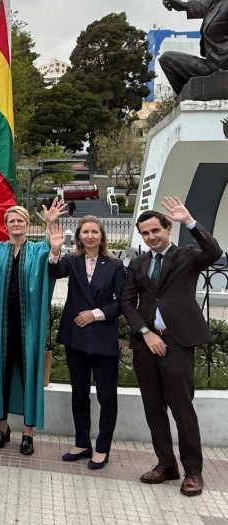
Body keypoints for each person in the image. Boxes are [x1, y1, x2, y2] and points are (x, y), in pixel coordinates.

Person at [120, 197, 221, 497]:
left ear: (167, 228)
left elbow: (214, 251)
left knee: (182, 408)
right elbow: (127, 302)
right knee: (154, 409)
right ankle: (166, 465)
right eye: (145, 233)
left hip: (178, 342)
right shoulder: (137, 263)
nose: (151, 237)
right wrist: (145, 332)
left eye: (155, 231)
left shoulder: (188, 256)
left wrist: (189, 221)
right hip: (145, 345)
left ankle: (193, 472)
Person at [0, 198, 66, 456]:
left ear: (27, 225)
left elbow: (53, 259)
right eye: (11, 220)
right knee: (0, 376)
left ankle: (28, 434)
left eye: (20, 220)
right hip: (0, 328)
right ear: (6, 226)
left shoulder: (38, 251)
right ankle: (2, 428)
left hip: (27, 327)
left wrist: (52, 230)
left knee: (29, 378)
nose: (16, 224)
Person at [47, 216, 125, 470]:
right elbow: (55, 271)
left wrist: (95, 314)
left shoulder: (114, 265)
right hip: (76, 337)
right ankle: (82, 443)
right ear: (79, 236)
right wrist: (55, 249)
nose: (90, 236)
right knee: (79, 394)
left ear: (102, 236)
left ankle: (102, 448)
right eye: (85, 232)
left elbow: (122, 302)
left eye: (94, 231)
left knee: (106, 395)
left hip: (102, 337)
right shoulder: (72, 260)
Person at [159, 0, 228, 96]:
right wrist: (183, 5)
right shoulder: (215, 4)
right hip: (210, 67)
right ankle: (186, 100)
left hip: (223, 69)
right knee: (166, 60)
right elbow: (203, 6)